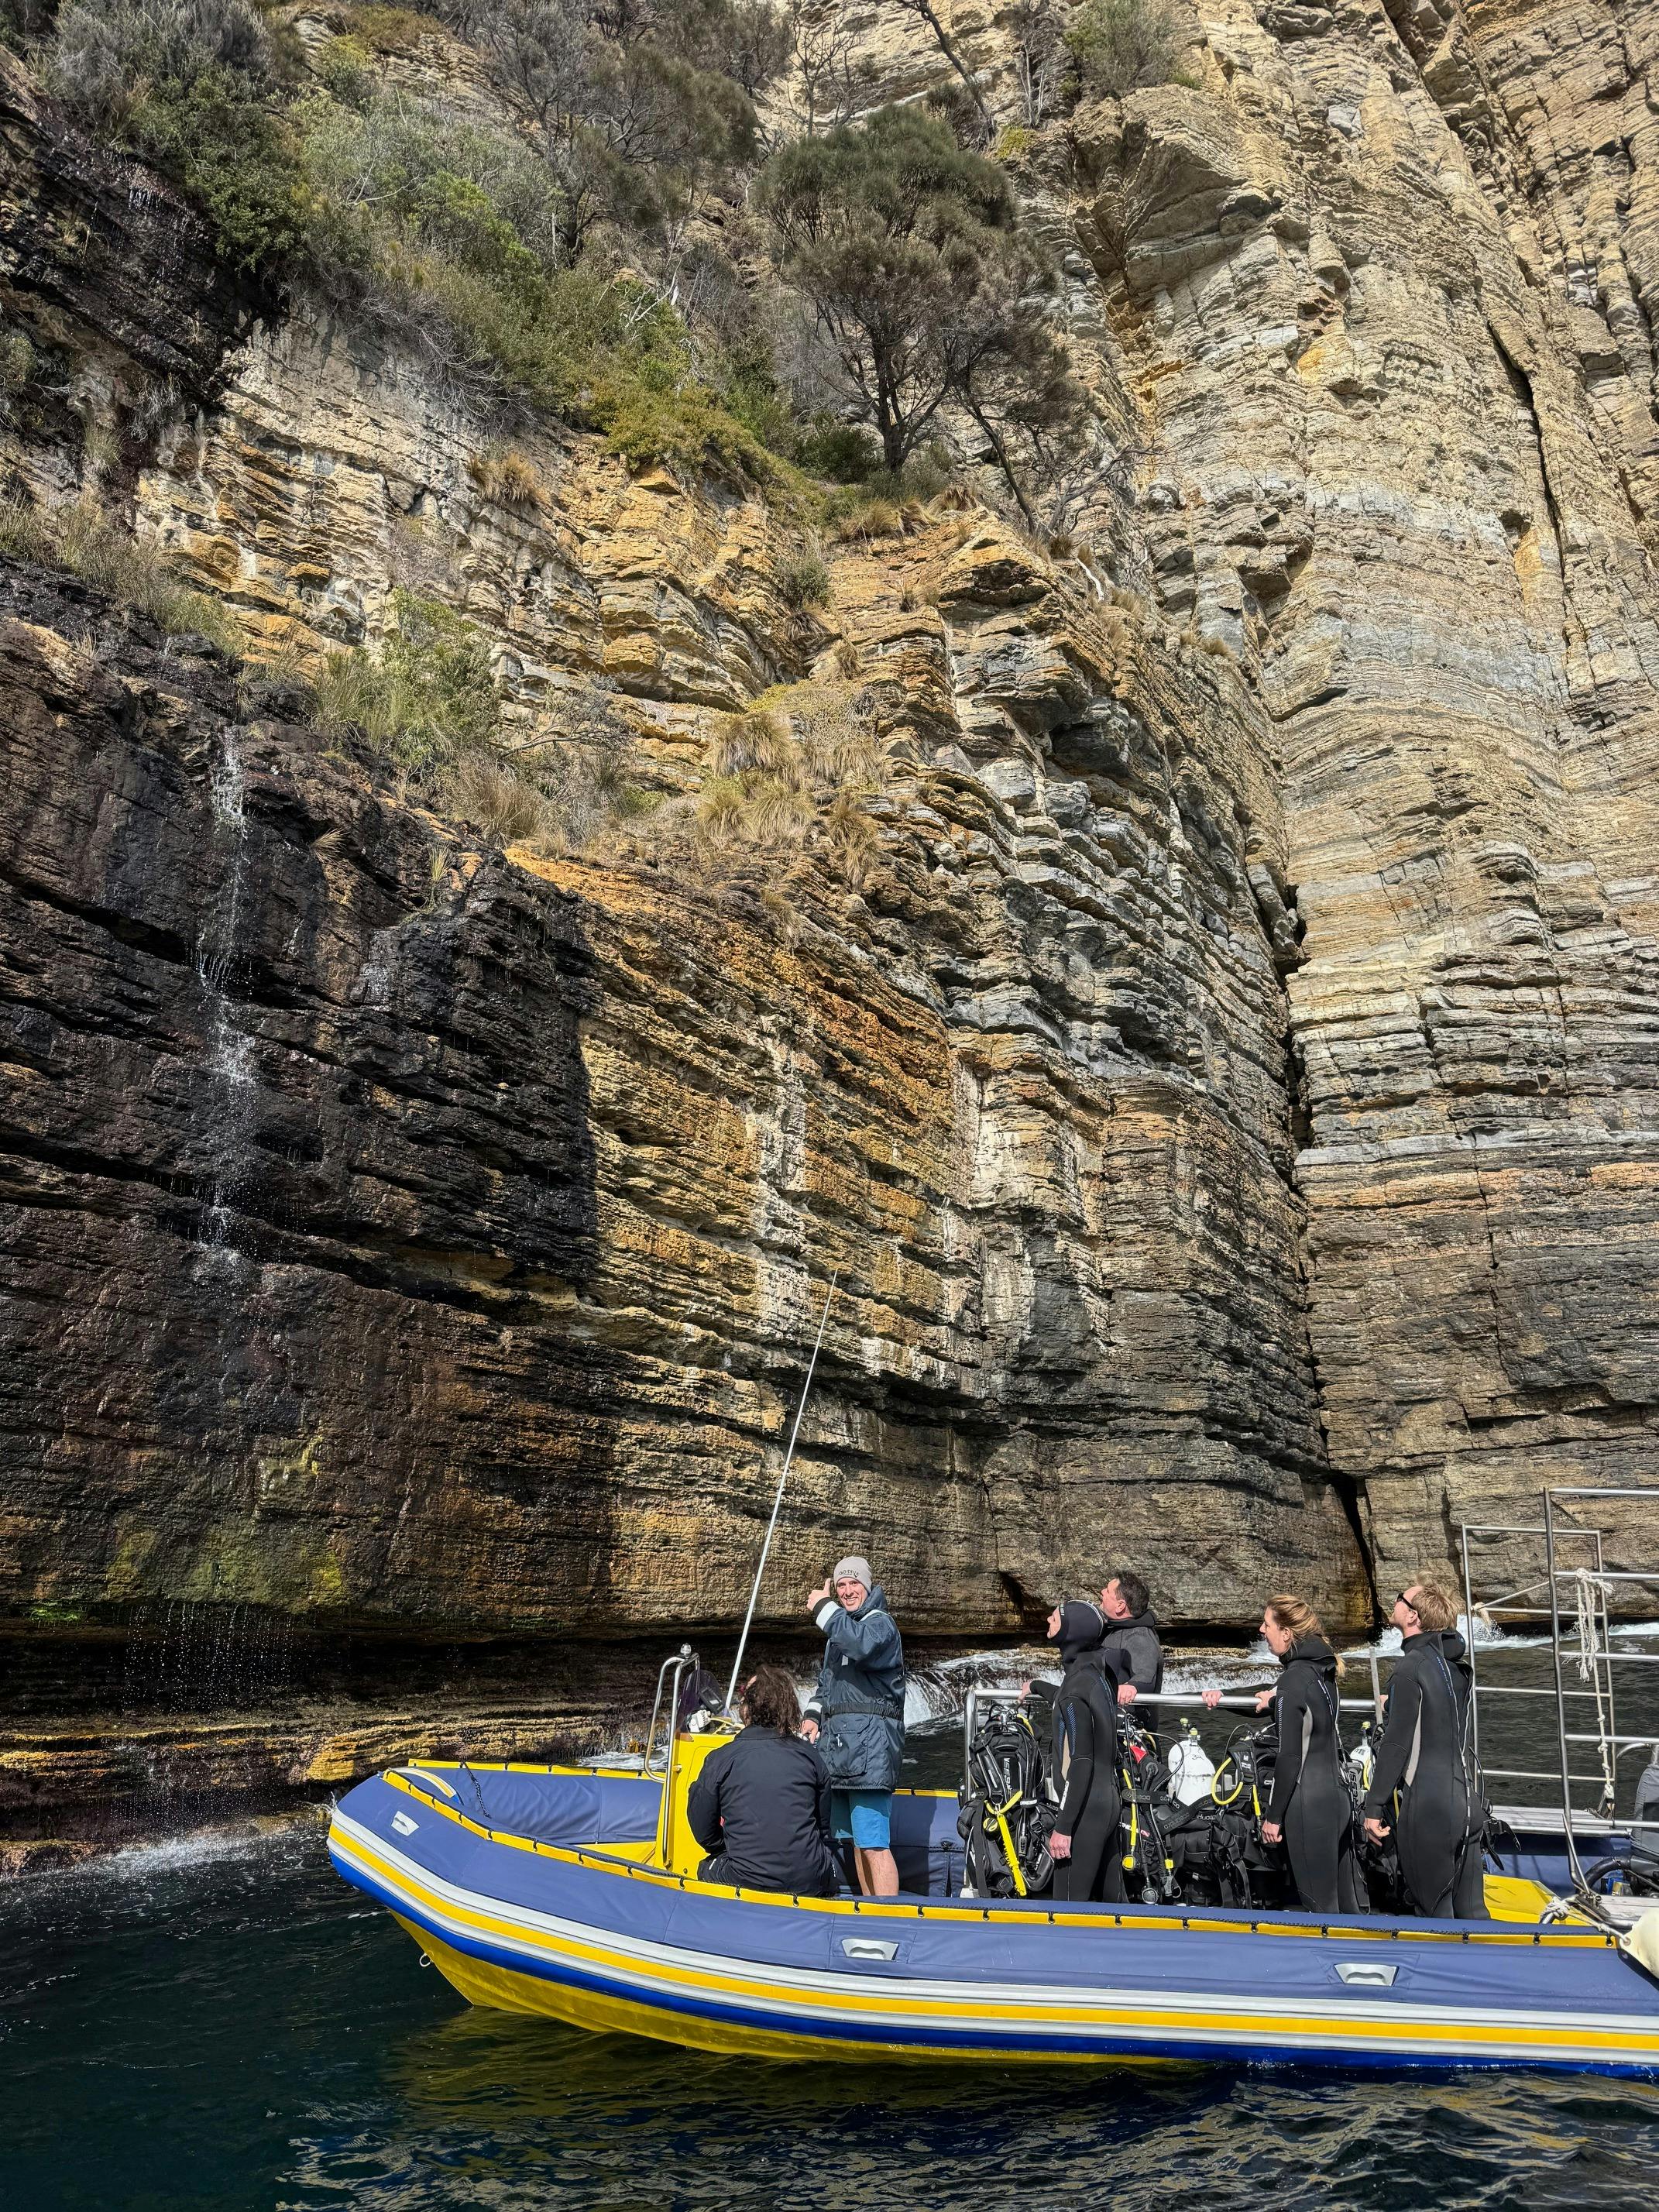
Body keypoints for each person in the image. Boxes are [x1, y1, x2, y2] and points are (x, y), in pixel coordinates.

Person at [1362, 1581, 1489, 1920]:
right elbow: (1437, 1721)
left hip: (1430, 1809)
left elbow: (1397, 1745)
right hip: (1466, 1804)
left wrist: (1373, 1806)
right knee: (1473, 1913)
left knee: (1435, 1915)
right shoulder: (1456, 1670)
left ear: (1413, 1616)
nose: (1395, 1601)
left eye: (1399, 1599)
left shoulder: (1410, 1668)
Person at [1239, 1593, 1362, 1915]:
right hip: (1337, 1799)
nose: (1261, 1631)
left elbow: (1290, 1756)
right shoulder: (1324, 1672)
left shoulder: (1294, 1679)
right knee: (1346, 1908)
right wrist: (1220, 1698)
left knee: (1319, 1911)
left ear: (1286, 1633)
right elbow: (1283, 1708)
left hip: (1309, 1806)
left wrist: (1273, 1817)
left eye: (1267, 1625)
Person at [688, 1665, 841, 1897]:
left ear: (747, 1709)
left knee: (704, 1868)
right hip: (808, 1879)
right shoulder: (810, 1756)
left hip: (745, 1877)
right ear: (788, 1708)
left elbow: (702, 1829)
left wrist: (725, 1847)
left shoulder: (722, 1758)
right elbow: (822, 1825)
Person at [802, 1555, 905, 1898]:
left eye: (854, 1584)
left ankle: (889, 1921)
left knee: (874, 1844)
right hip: (842, 1751)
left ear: (868, 1586)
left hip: (871, 1750)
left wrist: (824, 1607)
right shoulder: (841, 1633)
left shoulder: (880, 1625)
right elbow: (827, 1684)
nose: (847, 1591)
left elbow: (862, 1644)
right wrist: (814, 1715)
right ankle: (869, 1910)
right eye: (841, 1585)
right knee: (857, 1845)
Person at [1043, 1599, 1125, 1903]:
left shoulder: (1075, 1688)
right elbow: (1072, 1704)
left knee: (1067, 1908)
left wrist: (1064, 1828)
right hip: (1109, 1801)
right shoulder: (1096, 1676)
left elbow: (1081, 1760)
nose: (1048, 1622)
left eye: (1054, 1618)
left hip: (1085, 1811)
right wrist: (1039, 1687)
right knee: (1115, 1907)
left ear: (1071, 1630)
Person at [1097, 1570, 1164, 1708]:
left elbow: (1146, 1677)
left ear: (1120, 1606)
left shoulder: (1140, 1637)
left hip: (1128, 1724)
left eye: (1108, 1591)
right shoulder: (1110, 1629)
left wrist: (1131, 1687)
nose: (1102, 1591)